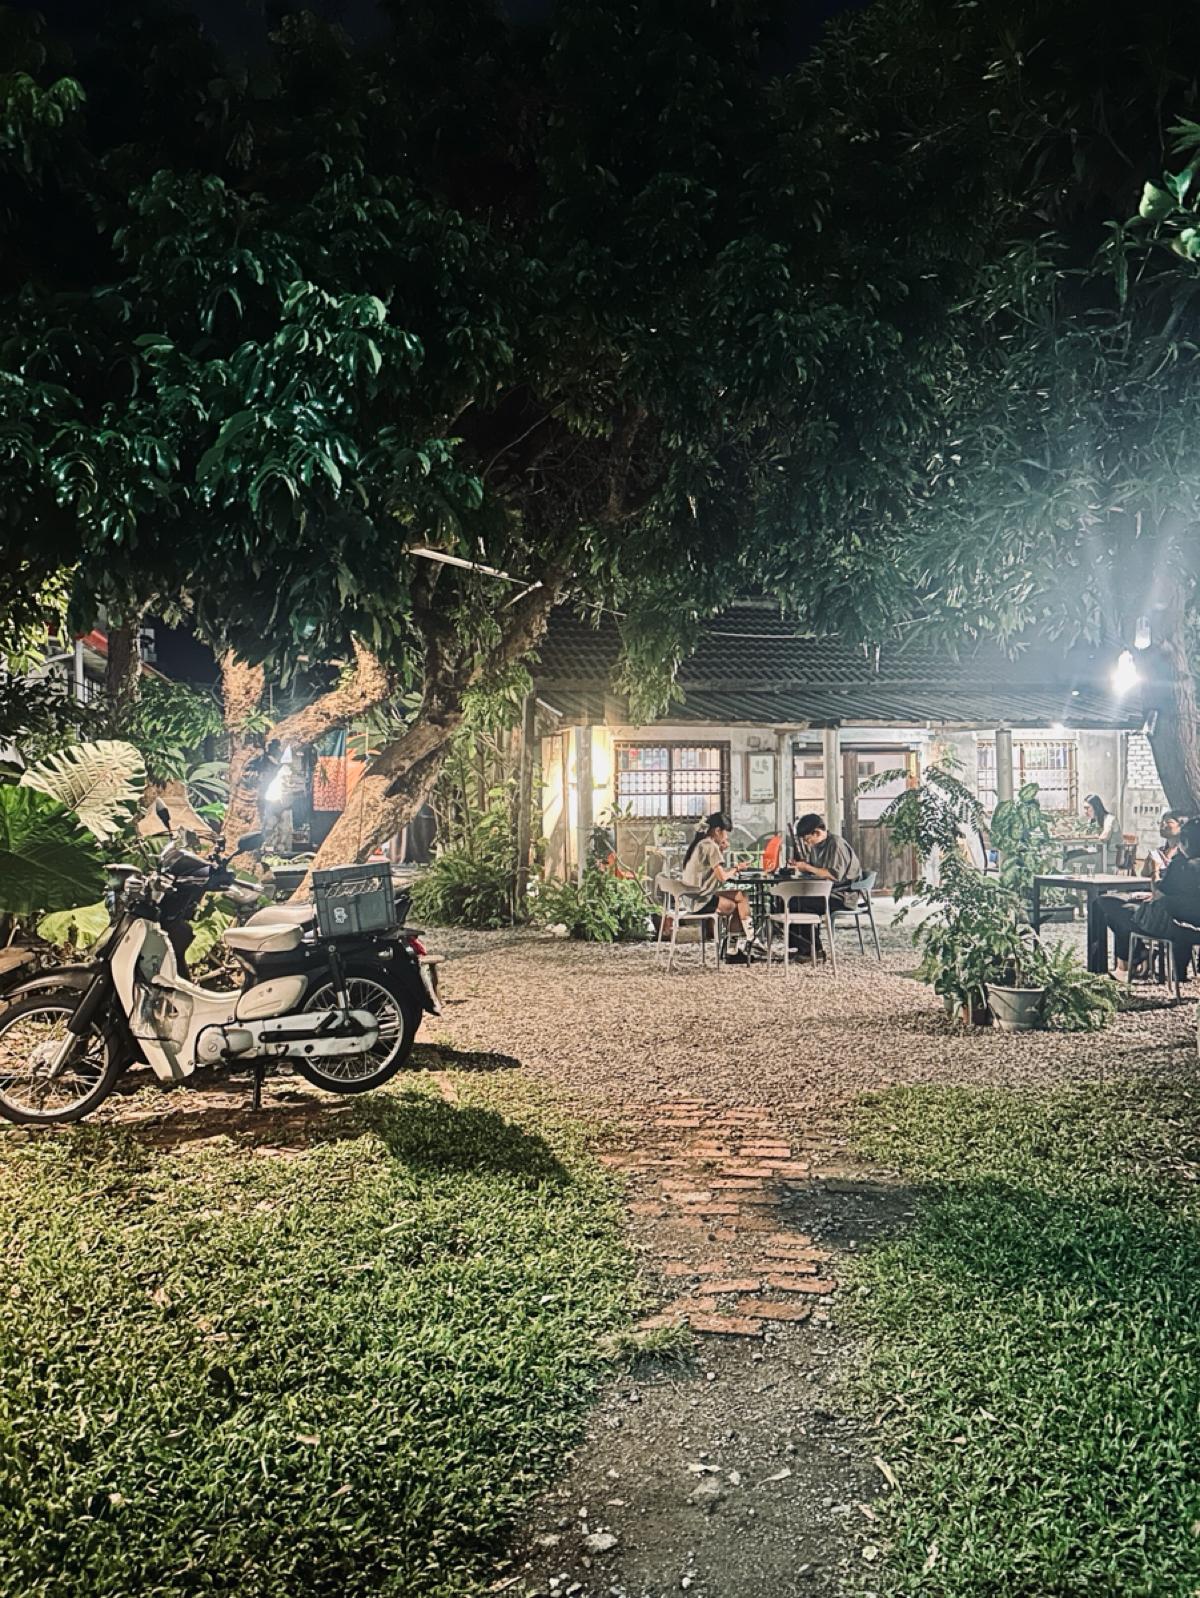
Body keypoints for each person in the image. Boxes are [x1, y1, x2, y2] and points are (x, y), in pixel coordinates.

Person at [1105, 816, 1200, 979]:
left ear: (1186, 842)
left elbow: (1159, 892)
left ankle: (1136, 957)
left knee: (1108, 905)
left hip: (1172, 925)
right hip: (1193, 925)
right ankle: (1141, 960)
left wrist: (1155, 870)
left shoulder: (1182, 864)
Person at [784, 812, 863, 956]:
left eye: (807, 839)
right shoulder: (817, 846)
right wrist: (802, 866)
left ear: (817, 832)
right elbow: (815, 869)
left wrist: (808, 867)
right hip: (826, 891)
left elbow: (833, 875)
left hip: (842, 895)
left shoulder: (836, 844)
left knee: (800, 903)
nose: (806, 843)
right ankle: (803, 948)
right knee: (791, 900)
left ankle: (813, 951)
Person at [679, 811, 754, 962]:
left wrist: (722, 850)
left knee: (741, 896)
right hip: (701, 900)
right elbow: (722, 877)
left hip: (692, 897)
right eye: (726, 833)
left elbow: (713, 873)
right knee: (736, 906)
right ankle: (747, 941)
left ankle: (747, 939)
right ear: (718, 831)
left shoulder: (701, 843)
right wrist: (737, 868)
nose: (726, 838)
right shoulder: (711, 846)